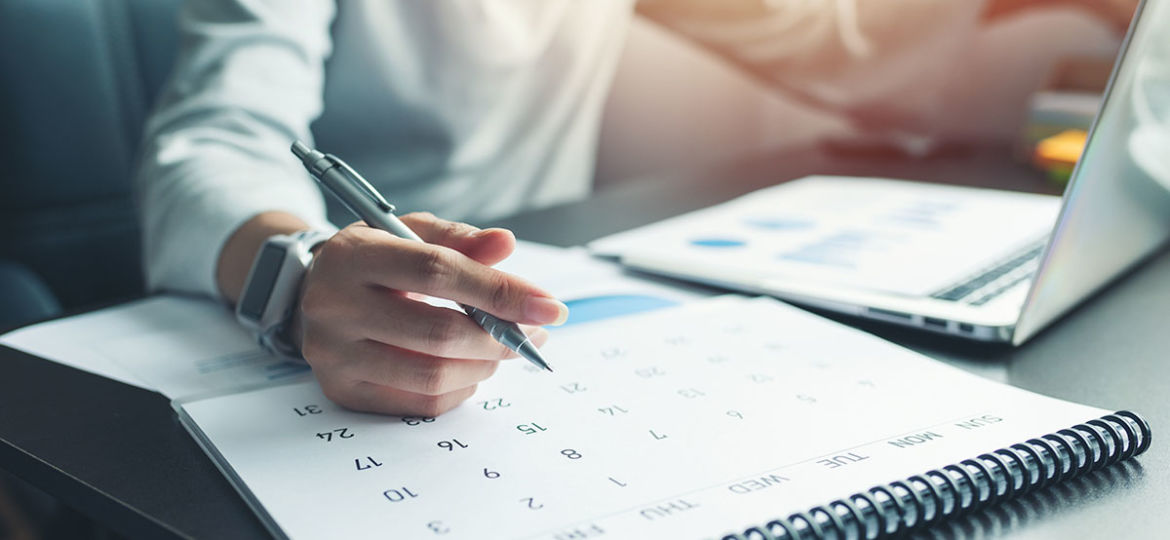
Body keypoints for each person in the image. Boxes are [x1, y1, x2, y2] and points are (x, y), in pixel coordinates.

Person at [134, 0, 1136, 417]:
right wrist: (300, 269)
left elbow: (842, 43)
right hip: (331, 328)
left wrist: (1107, 33)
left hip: (559, 300)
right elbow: (213, 140)